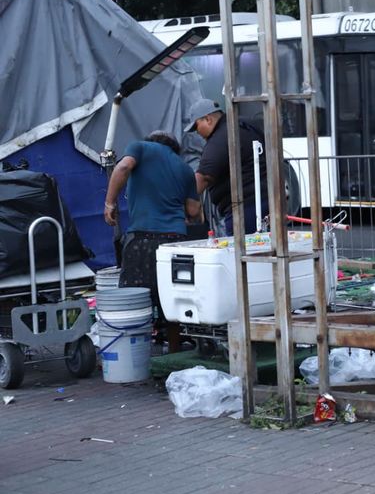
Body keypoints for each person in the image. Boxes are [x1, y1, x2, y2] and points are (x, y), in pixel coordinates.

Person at [104, 131, 200, 353]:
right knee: (171, 299)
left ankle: (134, 353)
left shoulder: (140, 147)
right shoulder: (185, 168)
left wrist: (110, 203)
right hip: (175, 241)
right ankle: (174, 350)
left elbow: (123, 167)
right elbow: (193, 211)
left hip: (143, 238)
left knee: (134, 299)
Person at [185, 98, 267, 236]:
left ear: (208, 119)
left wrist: (180, 196)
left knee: (245, 252)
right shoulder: (243, 125)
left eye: (196, 126)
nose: (197, 132)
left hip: (246, 208)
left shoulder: (221, 137)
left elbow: (204, 176)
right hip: (265, 199)